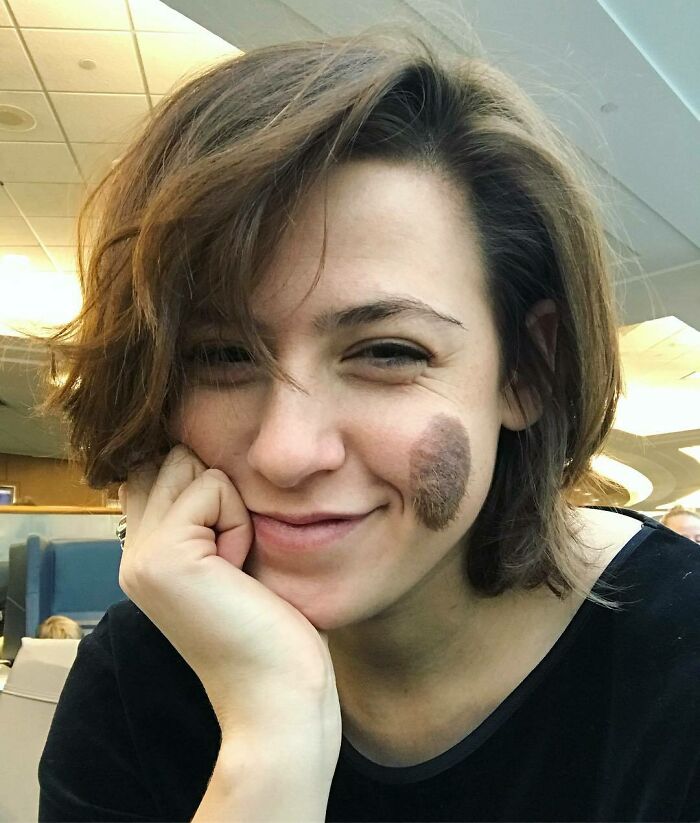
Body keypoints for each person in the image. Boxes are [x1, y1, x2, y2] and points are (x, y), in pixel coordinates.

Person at [38, 33, 700, 822]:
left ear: (527, 371)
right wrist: (272, 733)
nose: (286, 451)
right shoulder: (139, 679)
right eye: (221, 355)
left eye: (387, 352)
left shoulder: (678, 671)